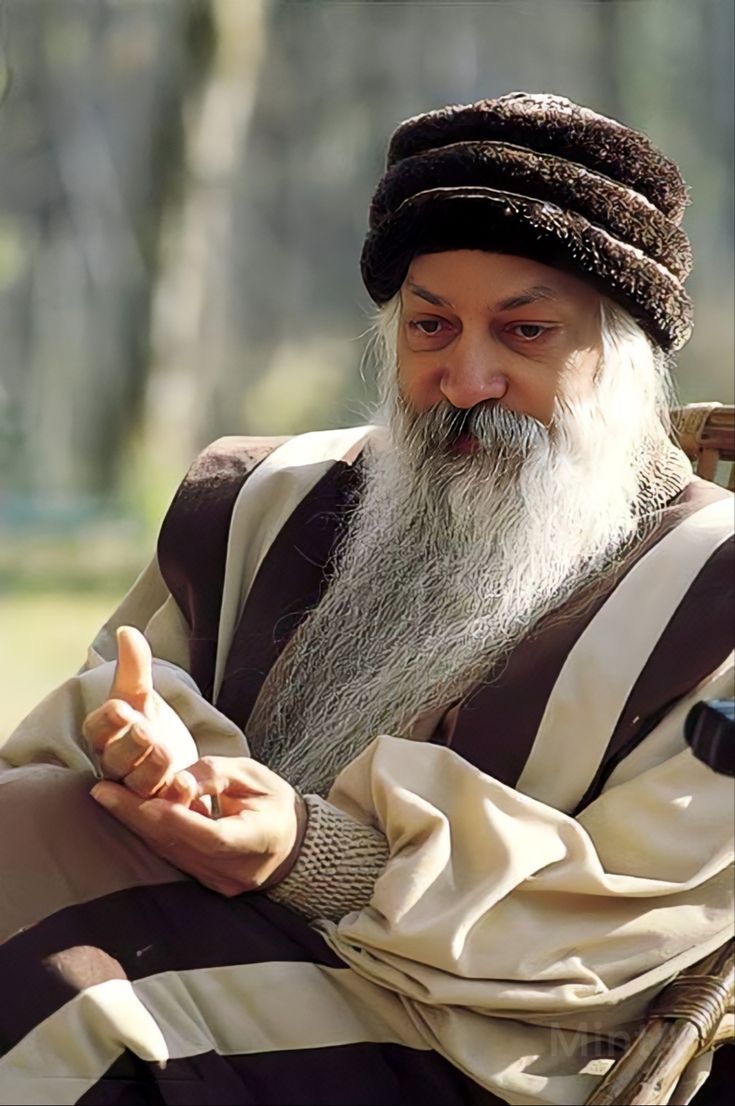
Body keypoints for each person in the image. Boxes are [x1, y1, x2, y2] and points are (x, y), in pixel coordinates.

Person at [0, 92, 732, 1106]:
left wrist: (317, 854)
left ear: (623, 353)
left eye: (524, 331)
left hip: (481, 1046)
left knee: (48, 998)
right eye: (431, 325)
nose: (465, 377)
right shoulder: (267, 500)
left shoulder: (717, 586)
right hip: (197, 924)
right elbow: (105, 707)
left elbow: (635, 919)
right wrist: (155, 758)